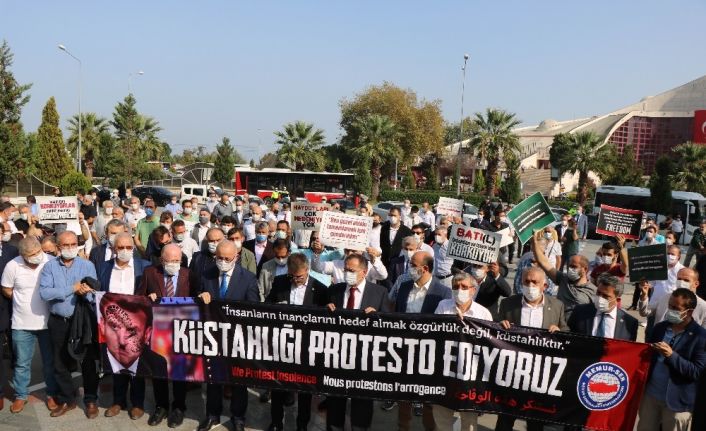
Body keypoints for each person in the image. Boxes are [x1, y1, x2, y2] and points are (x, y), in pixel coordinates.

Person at [495, 267, 568, 431]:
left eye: (534, 282)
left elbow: (566, 331)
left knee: (535, 420)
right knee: (505, 418)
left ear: (545, 286)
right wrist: (499, 325)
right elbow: (494, 330)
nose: (530, 286)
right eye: (526, 282)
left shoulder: (557, 306)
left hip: (540, 374)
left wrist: (560, 332)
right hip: (513, 372)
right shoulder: (508, 304)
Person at [197, 240, 259, 431]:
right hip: (213, 337)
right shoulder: (207, 274)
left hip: (237, 338)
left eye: (227, 258)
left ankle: (238, 417)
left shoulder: (248, 278)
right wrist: (201, 296)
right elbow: (197, 298)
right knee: (213, 379)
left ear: (236, 257)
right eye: (219, 258)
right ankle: (212, 415)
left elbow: (254, 309)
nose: (222, 262)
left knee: (239, 381)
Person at [38, 231, 100, 418]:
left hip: (82, 321)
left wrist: (85, 292)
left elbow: (94, 294)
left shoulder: (87, 265)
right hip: (59, 321)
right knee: (60, 362)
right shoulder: (49, 267)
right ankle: (67, 399)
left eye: (74, 244)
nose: (71, 248)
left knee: (88, 361)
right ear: (58, 247)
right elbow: (45, 293)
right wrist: (72, 288)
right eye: (66, 245)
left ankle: (90, 400)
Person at [325, 254, 388, 431]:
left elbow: (390, 325)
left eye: (351, 270)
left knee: (362, 403)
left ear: (364, 272)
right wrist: (326, 310)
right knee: (335, 400)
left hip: (365, 358)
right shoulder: (334, 290)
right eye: (345, 269)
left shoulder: (379, 293)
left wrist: (378, 317)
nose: (347, 273)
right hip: (338, 356)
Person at [265, 253, 328, 431]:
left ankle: (302, 425)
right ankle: (276, 422)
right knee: (277, 387)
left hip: (306, 348)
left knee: (305, 390)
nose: (295, 280)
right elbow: (268, 304)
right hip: (282, 344)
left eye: (299, 276)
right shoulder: (280, 282)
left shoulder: (320, 289)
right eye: (292, 276)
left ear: (307, 270)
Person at [97, 233, 152, 420]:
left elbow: (150, 291)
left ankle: (137, 404)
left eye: (129, 247)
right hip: (112, 324)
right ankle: (118, 401)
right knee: (116, 362)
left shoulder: (144, 266)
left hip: (136, 324)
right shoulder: (104, 267)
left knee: (137, 365)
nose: (125, 251)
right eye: (121, 247)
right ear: (113, 249)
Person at [392, 251, 450, 428]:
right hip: (404, 350)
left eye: (413, 265)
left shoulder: (443, 292)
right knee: (404, 394)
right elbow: (396, 312)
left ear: (424, 268)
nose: (409, 267)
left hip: (429, 353)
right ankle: (403, 427)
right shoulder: (404, 287)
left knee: (428, 399)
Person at [636, 288, 706, 431]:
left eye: (676, 308)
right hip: (651, 396)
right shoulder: (660, 328)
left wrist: (671, 355)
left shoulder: (700, 337)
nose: (671, 310)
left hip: (678, 403)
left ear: (689, 312)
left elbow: (696, 371)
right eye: (670, 306)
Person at [140, 244, 194, 427]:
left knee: (179, 371)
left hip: (181, 331)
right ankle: (161, 406)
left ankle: (179, 407)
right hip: (158, 330)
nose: (174, 264)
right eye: (170, 261)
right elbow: (139, 297)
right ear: (162, 260)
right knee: (158, 371)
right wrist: (147, 298)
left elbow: (197, 299)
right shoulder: (150, 273)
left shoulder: (188, 274)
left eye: (177, 260)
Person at [1, 237, 57, 413]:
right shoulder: (12, 266)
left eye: (38, 252)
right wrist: (22, 301)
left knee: (50, 362)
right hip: (21, 324)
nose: (36, 256)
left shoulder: (51, 261)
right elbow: (6, 289)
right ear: (23, 255)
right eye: (31, 254)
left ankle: (51, 394)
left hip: (48, 323)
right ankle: (21, 395)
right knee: (22, 363)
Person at [432, 272, 492, 430]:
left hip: (470, 376)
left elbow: (489, 345)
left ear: (473, 290)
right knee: (442, 419)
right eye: (456, 287)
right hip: (445, 372)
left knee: (469, 422)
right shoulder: (443, 306)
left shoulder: (483, 313)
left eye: (464, 287)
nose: (459, 290)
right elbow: (434, 333)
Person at [530, 234, 595, 320]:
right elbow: (543, 262)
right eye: (569, 266)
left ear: (585, 269)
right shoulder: (562, 279)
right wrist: (534, 242)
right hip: (558, 323)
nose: (570, 269)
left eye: (574, 267)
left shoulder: (593, 290)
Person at [568, 273, 638, 341]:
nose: (600, 298)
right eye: (598, 293)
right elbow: (569, 338)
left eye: (605, 296)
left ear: (617, 300)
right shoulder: (579, 311)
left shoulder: (630, 323)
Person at [639, 267, 706, 327]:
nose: (681, 282)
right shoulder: (665, 297)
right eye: (679, 279)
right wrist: (644, 295)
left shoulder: (703, 306)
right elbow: (645, 312)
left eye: (686, 280)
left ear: (696, 284)